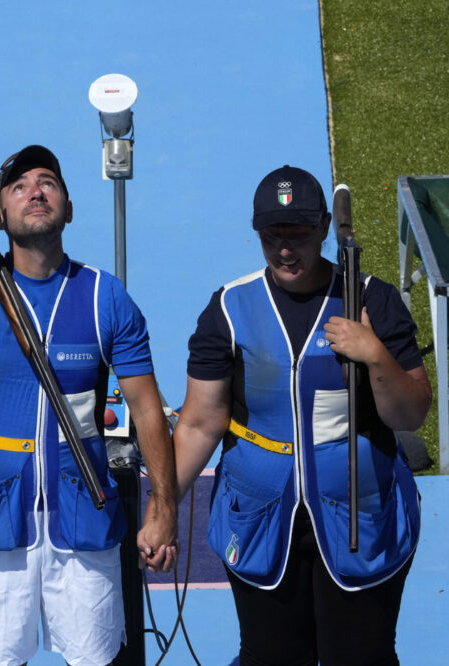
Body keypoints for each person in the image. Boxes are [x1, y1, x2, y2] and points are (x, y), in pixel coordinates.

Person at [0, 143, 178, 666]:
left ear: (68, 208)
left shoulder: (105, 297)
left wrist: (163, 510)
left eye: (48, 182)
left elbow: (146, 410)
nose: (36, 192)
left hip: (85, 521)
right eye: (20, 185)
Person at [174, 166, 431, 665]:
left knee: (362, 656)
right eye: (272, 235)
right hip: (261, 520)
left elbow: (412, 413)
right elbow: (200, 422)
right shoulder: (227, 308)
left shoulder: (373, 299)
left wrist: (375, 353)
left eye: (298, 233)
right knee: (269, 656)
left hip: (360, 518)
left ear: (322, 228)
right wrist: (163, 508)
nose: (285, 248)